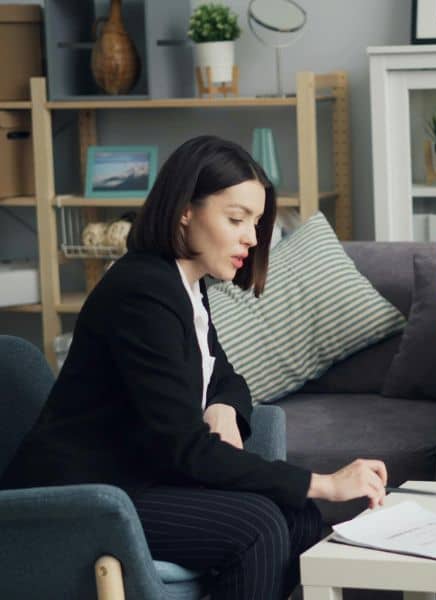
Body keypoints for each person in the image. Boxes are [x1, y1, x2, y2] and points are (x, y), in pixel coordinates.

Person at [0, 136, 389, 599]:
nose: (251, 236)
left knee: (297, 515)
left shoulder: (186, 285)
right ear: (186, 209)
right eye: (236, 219)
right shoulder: (143, 291)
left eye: (257, 222)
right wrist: (323, 482)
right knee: (259, 526)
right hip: (85, 497)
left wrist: (223, 405)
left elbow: (224, 375)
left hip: (137, 478)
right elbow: (183, 447)